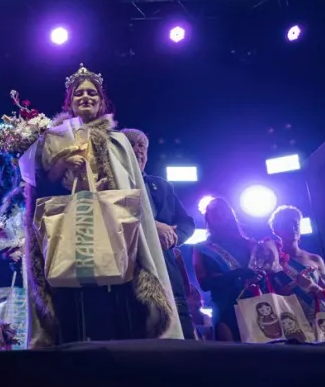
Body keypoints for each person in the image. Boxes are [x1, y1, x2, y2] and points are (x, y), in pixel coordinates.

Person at [24, 64, 182, 345]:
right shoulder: (53, 139)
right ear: (69, 102)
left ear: (101, 101)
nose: (86, 97)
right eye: (79, 94)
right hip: (73, 233)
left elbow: (131, 189)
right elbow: (40, 191)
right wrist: (61, 165)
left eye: (92, 93)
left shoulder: (118, 141)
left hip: (113, 233)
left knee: (118, 302)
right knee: (72, 300)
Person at [122, 128, 198, 340]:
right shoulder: (110, 185)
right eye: (131, 144)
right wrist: (152, 226)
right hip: (130, 271)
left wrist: (172, 237)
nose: (137, 150)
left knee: (181, 332)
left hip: (167, 269)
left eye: (142, 146)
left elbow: (186, 223)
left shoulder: (162, 186)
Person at [192, 198, 278, 341]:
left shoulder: (250, 244)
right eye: (212, 212)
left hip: (255, 305)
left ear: (230, 214)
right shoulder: (201, 248)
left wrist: (259, 275)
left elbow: (266, 274)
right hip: (225, 306)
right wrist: (237, 273)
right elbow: (204, 284)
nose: (218, 215)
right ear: (207, 218)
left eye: (221, 210)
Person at [268, 205, 325, 324]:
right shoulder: (272, 261)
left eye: (296, 223)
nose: (293, 227)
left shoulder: (315, 259)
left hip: (320, 322)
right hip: (289, 323)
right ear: (276, 229)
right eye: (286, 223)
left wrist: (314, 287)